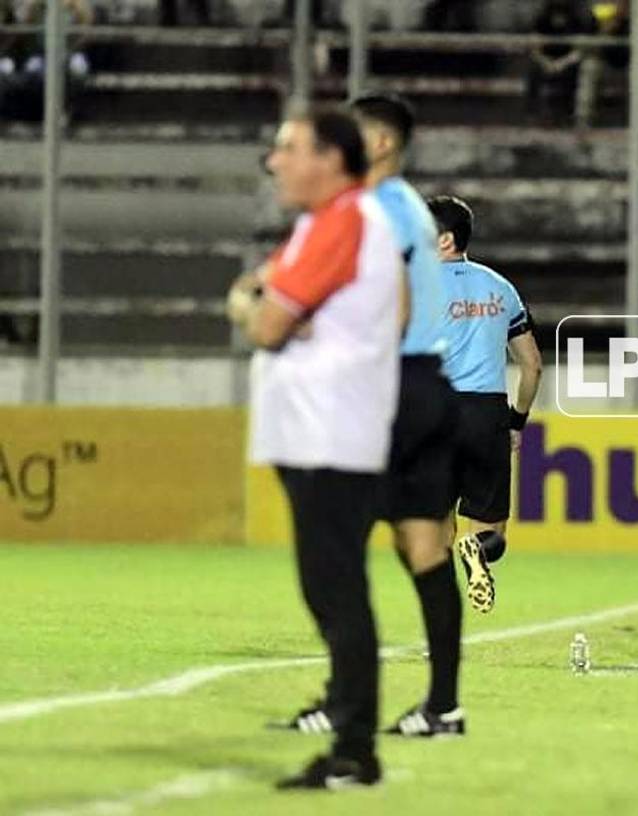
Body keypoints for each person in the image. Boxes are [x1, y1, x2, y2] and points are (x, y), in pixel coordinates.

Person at [279, 93, 470, 741]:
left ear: (380, 143)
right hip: (429, 382)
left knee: (334, 545)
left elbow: (389, 297)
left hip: (391, 382)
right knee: (423, 545)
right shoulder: (410, 206)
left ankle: (343, 703)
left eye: (352, 138)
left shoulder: (375, 210)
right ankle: (443, 705)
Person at [227, 106, 402, 789]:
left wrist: (271, 315)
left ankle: (355, 748)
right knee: (328, 588)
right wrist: (268, 312)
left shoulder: (347, 220)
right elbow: (252, 298)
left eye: (289, 148)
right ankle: (352, 741)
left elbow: (265, 318)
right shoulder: (322, 224)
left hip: (332, 430)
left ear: (330, 158)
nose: (275, 161)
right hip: (314, 429)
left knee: (336, 591)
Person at [428, 194, 543, 615]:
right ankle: (475, 549)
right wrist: (517, 421)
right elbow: (532, 366)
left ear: (444, 240)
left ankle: (441, 626)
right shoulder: (500, 288)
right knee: (492, 527)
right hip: (487, 413)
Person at [576, 0, 638, 128]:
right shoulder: (600, 13)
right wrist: (606, 31)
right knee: (589, 67)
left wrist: (625, 18)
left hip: (630, 63)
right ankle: (583, 120)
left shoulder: (636, 14)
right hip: (604, 63)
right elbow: (589, 46)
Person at [527, 0, 586, 124]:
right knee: (533, 70)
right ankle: (532, 113)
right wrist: (546, 63)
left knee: (574, 72)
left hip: (567, 61)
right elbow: (535, 49)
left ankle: (567, 114)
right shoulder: (542, 18)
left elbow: (578, 51)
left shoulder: (577, 18)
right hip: (546, 60)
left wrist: (562, 64)